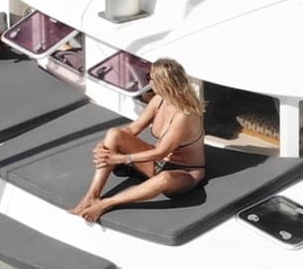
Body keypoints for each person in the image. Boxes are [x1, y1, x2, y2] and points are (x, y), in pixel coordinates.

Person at [71, 58, 207, 223]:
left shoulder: (184, 115)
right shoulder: (159, 100)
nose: (148, 81)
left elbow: (160, 152)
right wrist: (105, 146)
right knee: (114, 133)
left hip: (185, 172)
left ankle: (107, 203)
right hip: (158, 163)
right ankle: (92, 196)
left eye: (150, 77)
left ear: (163, 83)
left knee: (164, 178)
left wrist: (120, 159)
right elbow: (132, 130)